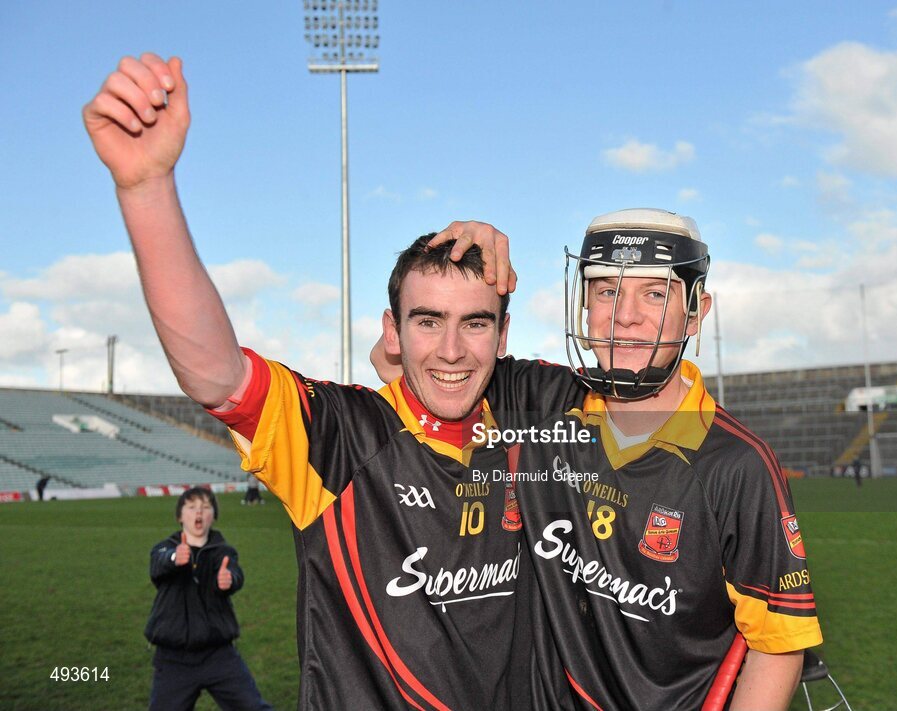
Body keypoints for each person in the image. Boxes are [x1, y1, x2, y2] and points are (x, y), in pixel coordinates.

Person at [84, 53, 549, 709]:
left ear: (502, 338)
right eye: (427, 320)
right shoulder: (341, 439)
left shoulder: (540, 437)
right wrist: (145, 188)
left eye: (475, 322)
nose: (451, 348)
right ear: (392, 331)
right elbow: (217, 374)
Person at [375, 209, 823, 709]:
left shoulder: (737, 464)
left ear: (696, 313)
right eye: (607, 290)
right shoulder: (539, 402)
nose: (625, 315)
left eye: (655, 293)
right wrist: (458, 254)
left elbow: (777, 645)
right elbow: (403, 357)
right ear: (584, 306)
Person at [145, 487, 271, 710]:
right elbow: (157, 564)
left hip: (219, 655)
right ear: (180, 516)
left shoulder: (224, 552)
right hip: (173, 659)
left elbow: (235, 573)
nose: (198, 513)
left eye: (205, 507)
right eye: (191, 507)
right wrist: (175, 557)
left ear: (214, 515)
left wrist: (229, 579)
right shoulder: (165, 547)